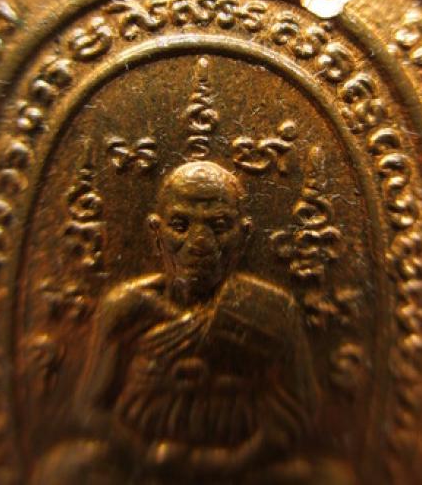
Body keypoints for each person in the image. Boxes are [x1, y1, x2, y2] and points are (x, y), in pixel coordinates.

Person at [33, 161, 320, 485]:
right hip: (142, 465)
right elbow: (90, 408)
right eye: (181, 225)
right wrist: (145, 454)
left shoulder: (271, 310)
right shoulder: (128, 307)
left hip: (243, 467)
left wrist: (234, 461)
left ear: (244, 235)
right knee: (64, 469)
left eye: (219, 226)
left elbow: (301, 413)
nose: (200, 243)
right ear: (157, 233)